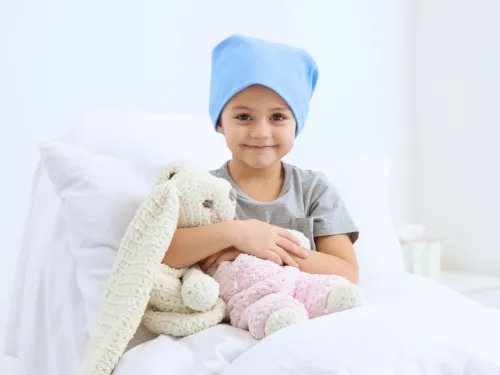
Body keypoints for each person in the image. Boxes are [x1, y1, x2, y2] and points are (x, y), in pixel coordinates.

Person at [163, 34, 360, 284]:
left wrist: (258, 251)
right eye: (244, 117)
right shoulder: (202, 189)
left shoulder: (313, 190)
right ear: (220, 122)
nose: (260, 133)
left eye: (277, 117)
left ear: (296, 123)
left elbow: (347, 273)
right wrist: (236, 233)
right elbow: (161, 253)